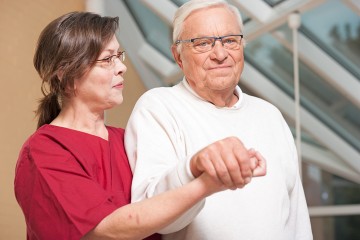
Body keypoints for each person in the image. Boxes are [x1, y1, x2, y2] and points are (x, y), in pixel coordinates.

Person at [14, 11, 262, 240]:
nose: (121, 67)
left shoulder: (129, 139)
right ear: (65, 74)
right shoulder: (45, 151)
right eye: (107, 59)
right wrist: (207, 184)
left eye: (118, 56)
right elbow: (109, 230)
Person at [125, 0, 313, 239]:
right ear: (178, 56)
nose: (220, 54)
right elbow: (152, 215)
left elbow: (296, 218)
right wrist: (194, 167)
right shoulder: (158, 107)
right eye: (203, 43)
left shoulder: (270, 115)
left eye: (230, 41)